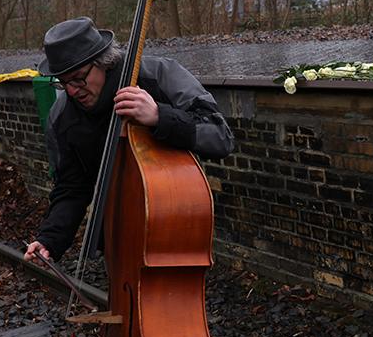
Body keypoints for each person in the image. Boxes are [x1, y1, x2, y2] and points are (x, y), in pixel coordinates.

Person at [23, 17, 235, 264]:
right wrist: (50, 240)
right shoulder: (62, 117)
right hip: (118, 241)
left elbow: (220, 137)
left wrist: (159, 116)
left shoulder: (158, 75)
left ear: (103, 62)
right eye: (63, 82)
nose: (71, 90)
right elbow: (71, 187)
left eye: (79, 78)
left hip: (172, 232)